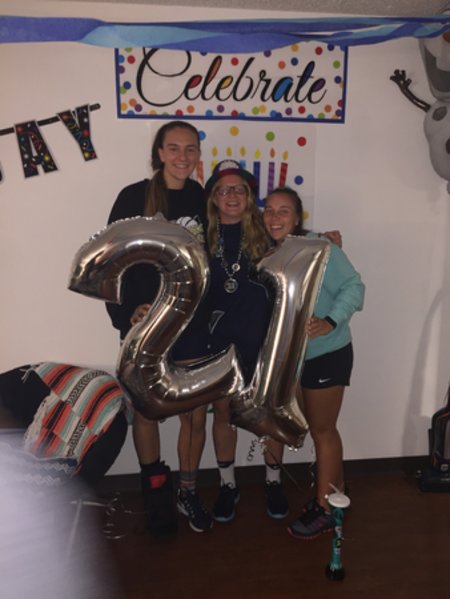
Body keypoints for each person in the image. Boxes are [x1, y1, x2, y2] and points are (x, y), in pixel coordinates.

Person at [106, 121, 213, 535]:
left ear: (198, 155)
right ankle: (155, 495)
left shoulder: (202, 197)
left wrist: (312, 237)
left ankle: (188, 492)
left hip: (193, 324)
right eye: (174, 148)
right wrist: (126, 313)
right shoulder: (133, 197)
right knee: (146, 412)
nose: (183, 156)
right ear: (160, 153)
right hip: (146, 326)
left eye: (190, 149)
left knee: (194, 415)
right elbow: (110, 259)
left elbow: (241, 237)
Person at [263, 187, 364, 539]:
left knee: (323, 431)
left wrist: (331, 321)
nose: (275, 217)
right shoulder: (271, 254)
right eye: (269, 210)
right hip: (296, 359)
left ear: (297, 217)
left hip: (327, 354)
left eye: (284, 210)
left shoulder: (321, 249)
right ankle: (335, 496)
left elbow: (354, 287)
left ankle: (325, 510)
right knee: (315, 429)